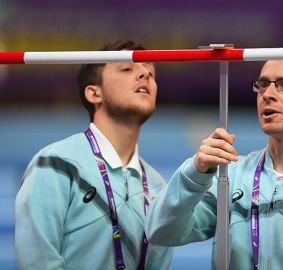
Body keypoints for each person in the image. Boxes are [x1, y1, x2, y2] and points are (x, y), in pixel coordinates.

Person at [146, 60, 283, 269]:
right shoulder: (231, 174)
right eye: (263, 84)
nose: (268, 94)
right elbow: (160, 232)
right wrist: (195, 172)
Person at [15, 40, 173, 270]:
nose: (144, 74)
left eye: (150, 71)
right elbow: (37, 261)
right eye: (127, 69)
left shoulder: (160, 189)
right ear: (94, 92)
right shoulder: (55, 164)